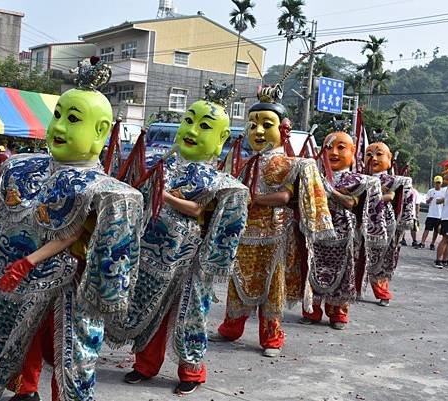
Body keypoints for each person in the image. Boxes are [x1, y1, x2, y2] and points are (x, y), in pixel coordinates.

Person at [0, 57, 144, 401]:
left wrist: (28, 262)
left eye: (73, 119)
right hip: (23, 278)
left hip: (70, 283)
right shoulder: (22, 168)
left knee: (73, 348)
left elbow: (68, 234)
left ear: (100, 131)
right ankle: (25, 388)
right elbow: (10, 217)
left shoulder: (101, 188)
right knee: (24, 334)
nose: (61, 127)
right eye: (58, 116)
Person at [107, 80, 249, 395]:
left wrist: (166, 197)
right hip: (152, 253)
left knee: (189, 315)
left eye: (204, 125)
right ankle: (144, 365)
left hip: (190, 260)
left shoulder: (218, 180)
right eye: (188, 120)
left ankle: (191, 371)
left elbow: (198, 209)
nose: (192, 129)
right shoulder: (164, 165)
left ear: (220, 138)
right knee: (148, 310)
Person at [210, 84, 333, 356]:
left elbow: (286, 196)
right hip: (243, 233)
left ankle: (272, 337)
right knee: (238, 283)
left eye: (266, 125)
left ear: (283, 130)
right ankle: (232, 327)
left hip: (275, 234)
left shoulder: (289, 163)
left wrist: (255, 199)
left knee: (271, 287)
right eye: (252, 126)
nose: (258, 132)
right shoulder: (240, 161)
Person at [301, 132, 387, 329]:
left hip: (344, 235)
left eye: (341, 147)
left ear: (353, 151)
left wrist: (330, 190)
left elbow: (350, 203)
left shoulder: (359, 180)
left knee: (343, 273)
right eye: (328, 147)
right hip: (317, 233)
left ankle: (337, 312)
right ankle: (312, 310)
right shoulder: (313, 175)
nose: (333, 152)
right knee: (312, 270)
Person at [359, 142, 414, 307]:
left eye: (379, 154)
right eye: (369, 154)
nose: (373, 158)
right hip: (360, 220)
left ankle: (383, 293)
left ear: (389, 160)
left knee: (380, 259)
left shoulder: (391, 180)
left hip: (382, 222)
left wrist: (370, 197)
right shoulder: (358, 177)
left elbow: (390, 196)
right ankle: (351, 289)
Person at [417, 176, 444, 250]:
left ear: (441, 183)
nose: (437, 184)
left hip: (439, 215)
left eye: (439, 183)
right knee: (427, 229)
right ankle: (422, 242)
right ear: (434, 183)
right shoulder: (430, 191)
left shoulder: (443, 192)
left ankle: (432, 244)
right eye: (436, 183)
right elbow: (426, 202)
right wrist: (430, 199)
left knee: (436, 231)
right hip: (431, 214)